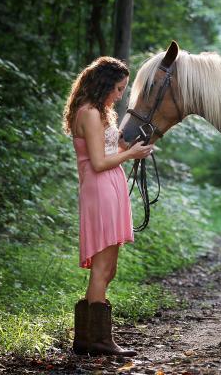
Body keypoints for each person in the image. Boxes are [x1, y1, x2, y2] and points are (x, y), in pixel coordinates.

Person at [62, 57, 154, 356]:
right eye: (117, 88)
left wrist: (135, 148)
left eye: (122, 89)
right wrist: (130, 156)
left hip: (110, 188)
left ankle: (88, 336)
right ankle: (97, 340)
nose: (119, 95)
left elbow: (111, 149)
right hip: (100, 188)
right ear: (103, 84)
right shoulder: (88, 113)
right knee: (102, 269)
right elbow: (99, 163)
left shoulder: (103, 113)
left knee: (109, 268)